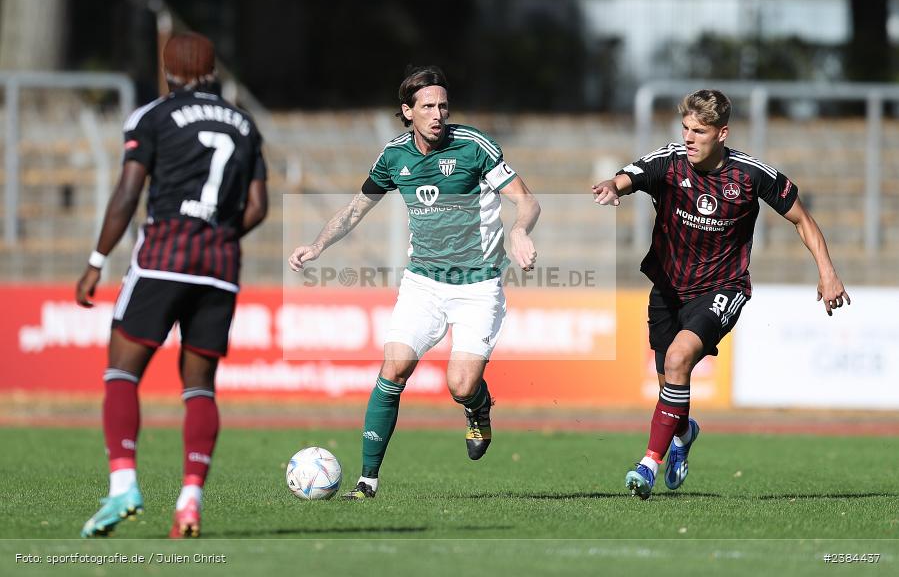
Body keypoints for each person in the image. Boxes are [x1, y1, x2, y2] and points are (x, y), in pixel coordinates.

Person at [288, 65, 540, 500]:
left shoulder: (473, 146)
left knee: (460, 384)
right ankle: (367, 482)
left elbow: (526, 200)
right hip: (422, 282)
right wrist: (317, 246)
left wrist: (519, 230)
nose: (438, 114)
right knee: (394, 367)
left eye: (443, 105)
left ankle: (478, 407)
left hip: (477, 285)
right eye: (427, 107)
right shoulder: (394, 156)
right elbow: (354, 209)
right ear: (407, 112)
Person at [592, 89, 850, 500]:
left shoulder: (751, 175)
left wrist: (828, 272)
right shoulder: (669, 160)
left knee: (678, 359)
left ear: (722, 133)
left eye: (699, 131)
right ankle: (684, 433)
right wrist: (613, 187)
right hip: (668, 288)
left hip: (722, 288)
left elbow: (801, 218)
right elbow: (629, 177)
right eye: (686, 129)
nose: (689, 138)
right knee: (669, 384)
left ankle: (648, 464)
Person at [76, 32, 268, 536]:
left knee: (121, 373)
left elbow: (127, 192)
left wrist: (97, 260)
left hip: (164, 257)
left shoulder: (152, 116)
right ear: (213, 71)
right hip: (220, 265)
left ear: (168, 71)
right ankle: (189, 501)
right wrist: (219, 233)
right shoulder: (246, 124)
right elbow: (258, 207)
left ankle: (123, 488)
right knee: (200, 386)